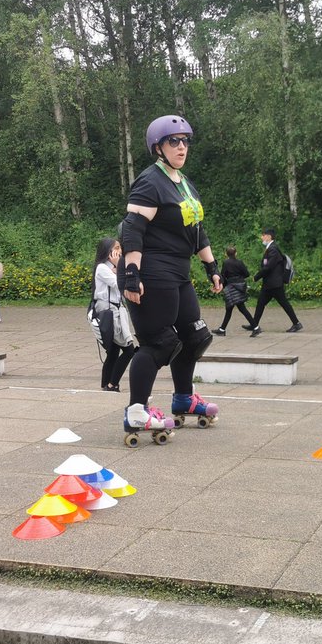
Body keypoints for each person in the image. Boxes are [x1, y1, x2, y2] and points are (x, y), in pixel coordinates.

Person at [118, 113, 222, 437]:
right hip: (151, 269)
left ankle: (183, 399)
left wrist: (212, 268)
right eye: (174, 141)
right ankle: (136, 411)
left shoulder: (185, 184)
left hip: (178, 271)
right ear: (158, 147)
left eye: (185, 141)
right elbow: (133, 230)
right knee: (160, 343)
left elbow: (197, 231)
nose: (181, 147)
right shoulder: (151, 181)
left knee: (195, 335)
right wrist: (132, 275)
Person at [92, 236, 136, 391]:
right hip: (110, 313)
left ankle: (106, 384)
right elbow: (119, 284)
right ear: (107, 251)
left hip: (116, 311)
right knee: (129, 350)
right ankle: (112, 384)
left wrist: (118, 268)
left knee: (113, 351)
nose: (119, 251)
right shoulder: (102, 268)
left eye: (120, 248)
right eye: (116, 248)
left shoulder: (112, 268)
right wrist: (119, 266)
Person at [249, 227, 302, 336]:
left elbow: (268, 267)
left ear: (268, 236)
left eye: (263, 235)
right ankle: (254, 324)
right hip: (270, 284)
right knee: (261, 303)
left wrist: (257, 276)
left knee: (283, 303)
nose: (261, 237)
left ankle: (296, 323)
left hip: (274, 284)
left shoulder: (273, 249)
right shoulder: (271, 248)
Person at [213, 245, 256, 335]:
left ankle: (256, 327)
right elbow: (247, 274)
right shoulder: (240, 262)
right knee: (233, 308)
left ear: (226, 254)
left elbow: (223, 275)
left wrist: (222, 285)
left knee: (236, 308)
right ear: (236, 253)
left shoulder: (226, 263)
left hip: (231, 287)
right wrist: (239, 278)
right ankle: (222, 329)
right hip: (240, 287)